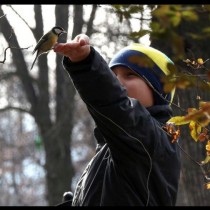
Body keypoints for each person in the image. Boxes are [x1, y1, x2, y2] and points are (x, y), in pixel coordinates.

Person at [53, 34, 181, 206]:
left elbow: (115, 104)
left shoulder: (152, 139)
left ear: (159, 91)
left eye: (129, 75)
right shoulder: (109, 150)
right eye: (113, 76)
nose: (118, 82)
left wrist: (85, 61)